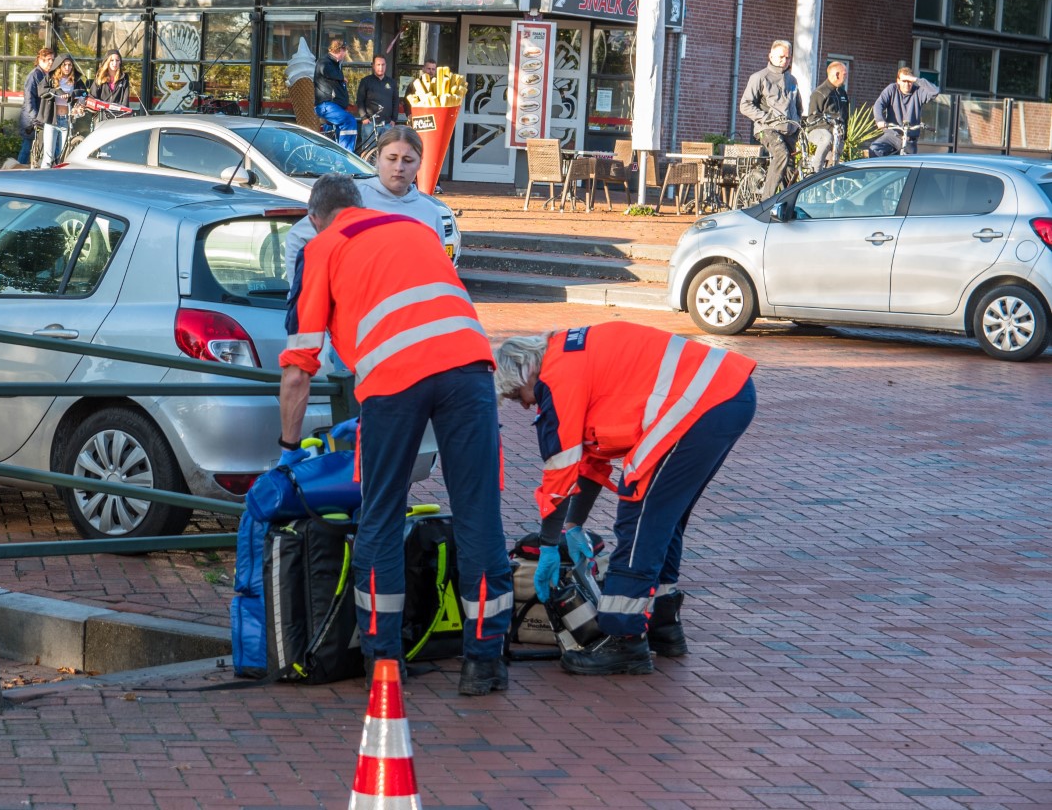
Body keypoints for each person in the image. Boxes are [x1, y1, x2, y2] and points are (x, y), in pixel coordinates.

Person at [278, 173, 513, 696]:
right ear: (360, 204)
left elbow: (299, 368)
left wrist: (289, 450)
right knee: (478, 515)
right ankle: (484, 661)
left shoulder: (321, 248)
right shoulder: (416, 229)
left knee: (381, 514)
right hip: (470, 367)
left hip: (393, 378)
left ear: (315, 218)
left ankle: (384, 661)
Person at [495, 323, 756, 675]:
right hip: (725, 394)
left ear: (526, 371)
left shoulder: (558, 377)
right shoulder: (570, 357)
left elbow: (560, 468)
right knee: (664, 516)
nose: (525, 406)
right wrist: (572, 524)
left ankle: (624, 639)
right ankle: (663, 626)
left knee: (640, 514)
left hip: (702, 401)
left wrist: (549, 544)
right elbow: (589, 460)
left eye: (516, 396)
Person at [280, 126, 456, 273]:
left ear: (420, 163)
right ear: (378, 159)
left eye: (408, 160)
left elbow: (436, 271)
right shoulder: (351, 199)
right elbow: (297, 238)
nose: (399, 167)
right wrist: (301, 294)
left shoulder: (430, 212)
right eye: (392, 158)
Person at [738, 40, 801, 199]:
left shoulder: (792, 80)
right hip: (767, 130)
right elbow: (745, 105)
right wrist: (767, 118)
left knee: (790, 171)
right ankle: (766, 202)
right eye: (781, 57)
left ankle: (787, 206)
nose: (784, 61)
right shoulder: (759, 77)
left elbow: (798, 106)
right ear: (771, 56)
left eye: (787, 57)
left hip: (790, 131)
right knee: (781, 154)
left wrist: (798, 124)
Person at [866, 66, 940, 157]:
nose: (907, 84)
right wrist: (880, 120)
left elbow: (935, 91)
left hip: (910, 139)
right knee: (875, 149)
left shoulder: (918, 92)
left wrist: (916, 79)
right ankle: (881, 171)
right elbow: (879, 104)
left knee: (910, 166)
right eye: (904, 81)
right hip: (892, 136)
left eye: (909, 81)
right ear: (898, 80)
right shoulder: (892, 89)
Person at [34, 54, 84, 168]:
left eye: (69, 65)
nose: (67, 67)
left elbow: (83, 93)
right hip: (52, 120)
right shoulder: (51, 78)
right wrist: (56, 92)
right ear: (59, 66)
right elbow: (41, 90)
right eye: (64, 65)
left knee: (63, 157)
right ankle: (43, 181)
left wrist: (77, 99)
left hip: (66, 120)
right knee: (48, 157)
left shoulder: (76, 80)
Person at [314, 36, 359, 152]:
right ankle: (346, 156)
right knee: (349, 121)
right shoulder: (325, 61)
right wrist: (341, 77)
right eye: (345, 51)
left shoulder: (335, 64)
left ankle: (332, 158)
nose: (345, 54)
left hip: (333, 106)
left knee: (333, 137)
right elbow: (323, 69)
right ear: (341, 50)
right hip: (327, 106)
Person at [805, 60, 851, 172]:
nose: (846, 77)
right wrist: (830, 128)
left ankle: (830, 179)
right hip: (818, 132)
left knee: (837, 150)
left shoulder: (842, 93)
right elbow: (812, 118)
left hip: (837, 134)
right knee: (827, 138)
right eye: (844, 74)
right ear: (837, 75)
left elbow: (845, 116)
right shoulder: (820, 93)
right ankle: (816, 172)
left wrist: (844, 135)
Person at [18, 47, 56, 166]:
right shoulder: (34, 75)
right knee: (27, 147)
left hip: (41, 117)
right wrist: (35, 117)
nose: (51, 62)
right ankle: (16, 171)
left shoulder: (48, 74)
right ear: (41, 60)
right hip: (31, 119)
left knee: (38, 148)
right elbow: (29, 99)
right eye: (48, 59)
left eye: (52, 59)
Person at [356, 55, 407, 127]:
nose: (381, 67)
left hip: (387, 124)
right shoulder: (365, 81)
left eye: (383, 65)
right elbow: (360, 100)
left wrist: (394, 119)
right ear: (373, 66)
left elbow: (395, 101)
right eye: (378, 65)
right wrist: (363, 117)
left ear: (386, 65)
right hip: (370, 123)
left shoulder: (392, 82)